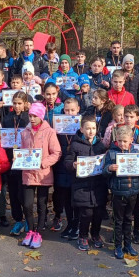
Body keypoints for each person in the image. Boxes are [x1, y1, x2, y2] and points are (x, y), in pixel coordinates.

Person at [20, 103, 61, 249]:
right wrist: (18, 159)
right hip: (28, 174)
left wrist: (43, 163)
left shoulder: (49, 132)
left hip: (43, 174)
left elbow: (56, 152)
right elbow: (22, 151)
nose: (31, 118)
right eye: (30, 116)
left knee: (42, 204)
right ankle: (30, 230)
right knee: (27, 204)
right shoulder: (24, 132)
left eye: (34, 116)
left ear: (41, 116)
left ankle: (39, 231)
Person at [65, 115, 107, 251]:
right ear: (81, 129)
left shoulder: (100, 145)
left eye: (93, 128)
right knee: (86, 213)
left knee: (98, 213)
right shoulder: (75, 145)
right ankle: (83, 236)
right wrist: (73, 165)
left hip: (98, 186)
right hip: (82, 186)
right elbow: (67, 162)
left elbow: (105, 162)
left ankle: (95, 234)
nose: (91, 131)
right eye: (88, 128)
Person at [103, 125, 139, 259]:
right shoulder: (111, 153)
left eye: (125, 141)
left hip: (133, 191)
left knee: (128, 219)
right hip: (118, 193)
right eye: (120, 141)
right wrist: (109, 167)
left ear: (131, 140)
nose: (122, 143)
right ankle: (117, 246)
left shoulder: (136, 153)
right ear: (116, 140)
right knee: (118, 221)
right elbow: (103, 171)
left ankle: (128, 245)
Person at [50, 97, 80, 237]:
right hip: (61, 166)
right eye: (67, 110)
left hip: (77, 166)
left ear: (78, 110)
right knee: (66, 197)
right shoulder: (57, 124)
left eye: (72, 110)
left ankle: (77, 225)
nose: (69, 113)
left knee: (76, 198)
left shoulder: (82, 125)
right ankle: (69, 224)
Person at [2, 92, 30, 237]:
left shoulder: (28, 119)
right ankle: (18, 219)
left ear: (25, 104)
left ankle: (28, 220)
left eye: (20, 103)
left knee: (24, 194)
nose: (17, 106)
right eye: (15, 103)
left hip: (24, 161)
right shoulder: (7, 119)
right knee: (12, 194)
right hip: (10, 160)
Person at [123, 104, 139, 243]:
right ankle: (120, 231)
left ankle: (137, 230)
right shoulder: (117, 131)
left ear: (137, 118)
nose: (128, 119)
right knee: (121, 203)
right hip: (122, 173)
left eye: (131, 117)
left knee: (137, 203)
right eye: (126, 116)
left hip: (138, 174)